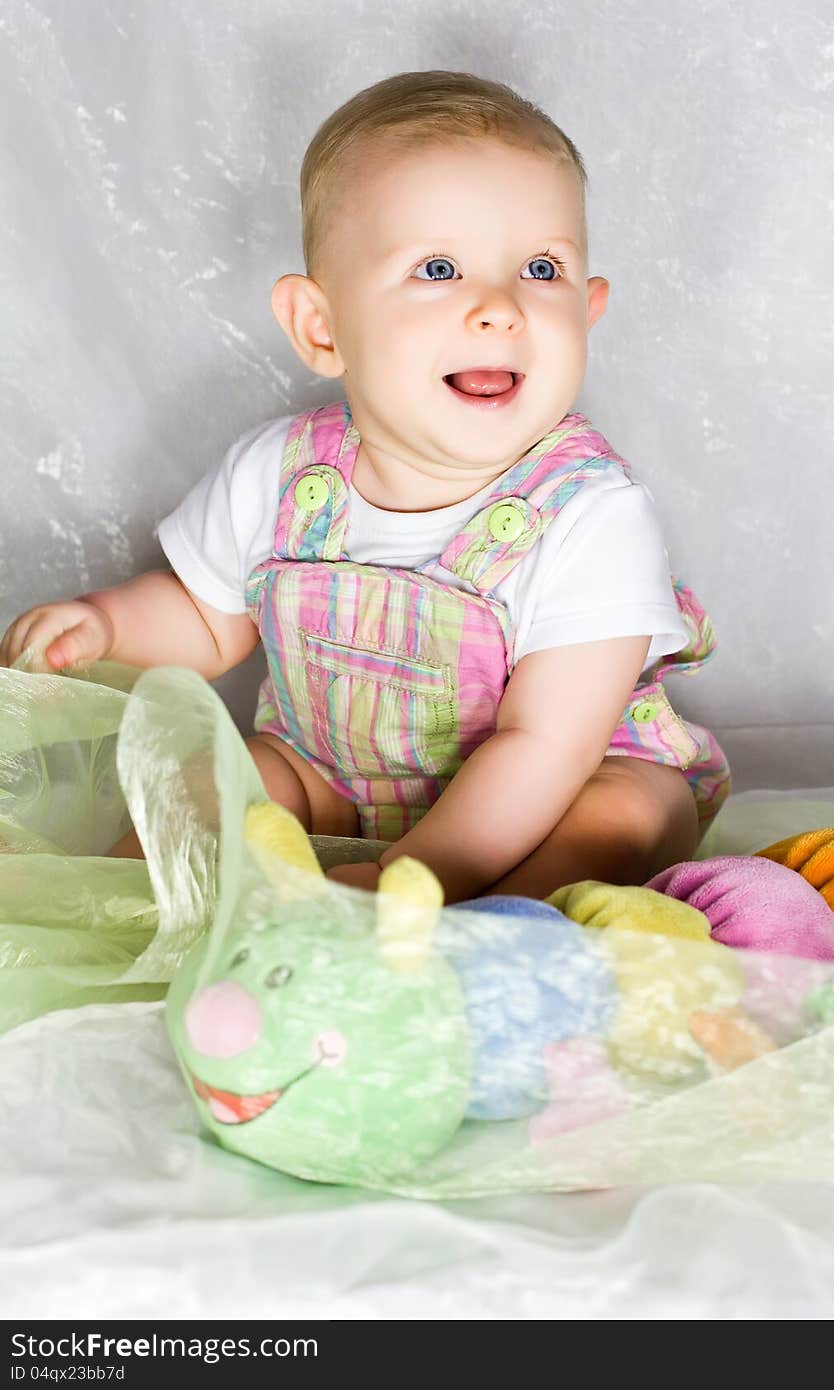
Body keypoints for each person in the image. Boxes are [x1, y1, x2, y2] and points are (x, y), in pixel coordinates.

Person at [0, 70, 730, 904]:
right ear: (322, 327)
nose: (499, 307)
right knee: (211, 783)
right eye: (439, 267)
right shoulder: (278, 474)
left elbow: (544, 743)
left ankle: (492, 930)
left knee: (626, 816)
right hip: (327, 775)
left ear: (588, 309)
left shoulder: (590, 512)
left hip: (553, 787)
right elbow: (207, 620)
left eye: (539, 267)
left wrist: (410, 878)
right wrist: (104, 625)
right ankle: (125, 907)